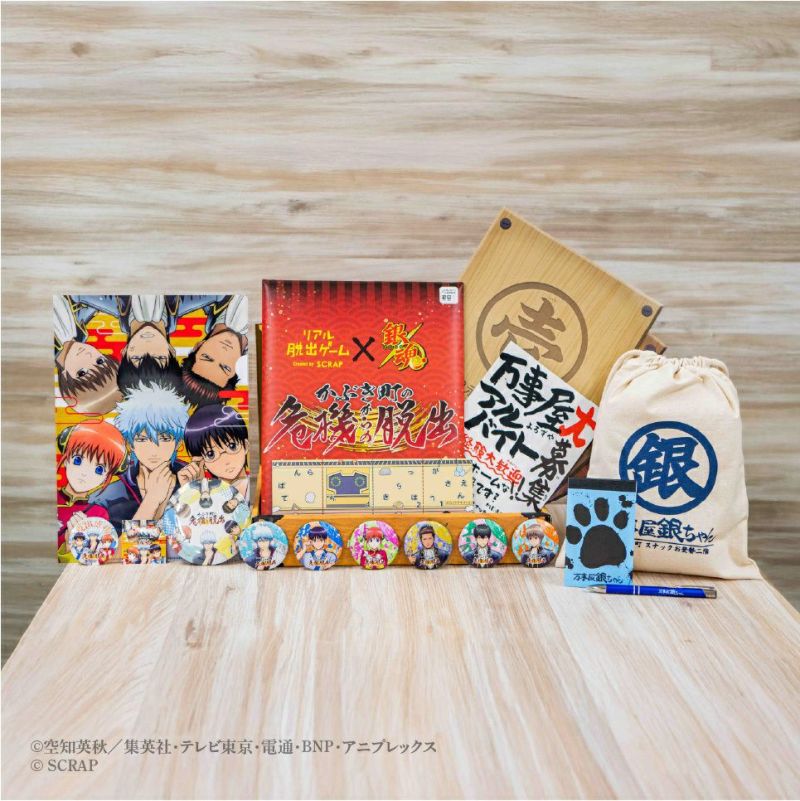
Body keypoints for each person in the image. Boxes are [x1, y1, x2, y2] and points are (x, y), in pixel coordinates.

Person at [89, 383, 189, 530]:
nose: (153, 449)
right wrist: (151, 500)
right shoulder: (106, 497)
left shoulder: (190, 481)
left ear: (178, 443)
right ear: (130, 444)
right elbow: (109, 543)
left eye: (164, 438)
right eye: (142, 439)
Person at [56, 421, 127, 550]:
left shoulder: (99, 515)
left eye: (99, 469)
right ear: (66, 460)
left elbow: (95, 556)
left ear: (106, 477)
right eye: (78, 460)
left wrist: (70, 545)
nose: (84, 473)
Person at [53, 295, 121, 414]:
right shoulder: (80, 329)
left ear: (65, 378)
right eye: (100, 361)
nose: (88, 356)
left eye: (82, 373)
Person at [181, 296, 248, 407]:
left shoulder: (203, 299)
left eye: (207, 357)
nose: (222, 352)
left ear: (198, 346)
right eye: (225, 367)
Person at [182, 403, 249, 501]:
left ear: (245, 446)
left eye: (232, 446)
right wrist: (190, 490)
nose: (226, 461)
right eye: (211, 454)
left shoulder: (257, 485)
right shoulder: (205, 494)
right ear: (201, 461)